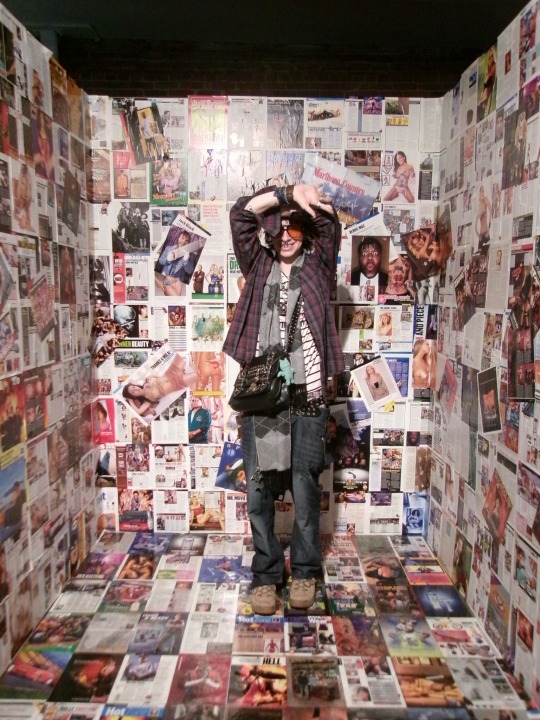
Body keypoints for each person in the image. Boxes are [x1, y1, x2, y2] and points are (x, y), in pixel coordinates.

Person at [223, 182, 343, 616]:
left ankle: (306, 571)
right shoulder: (258, 264)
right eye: (279, 227)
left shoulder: (319, 266)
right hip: (263, 401)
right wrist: (285, 193)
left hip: (307, 399)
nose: (287, 235)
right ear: (270, 231)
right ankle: (266, 575)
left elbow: (331, 227)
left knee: (305, 492)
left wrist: (308, 204)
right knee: (259, 493)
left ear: (305, 232)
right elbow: (240, 217)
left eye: (295, 227)